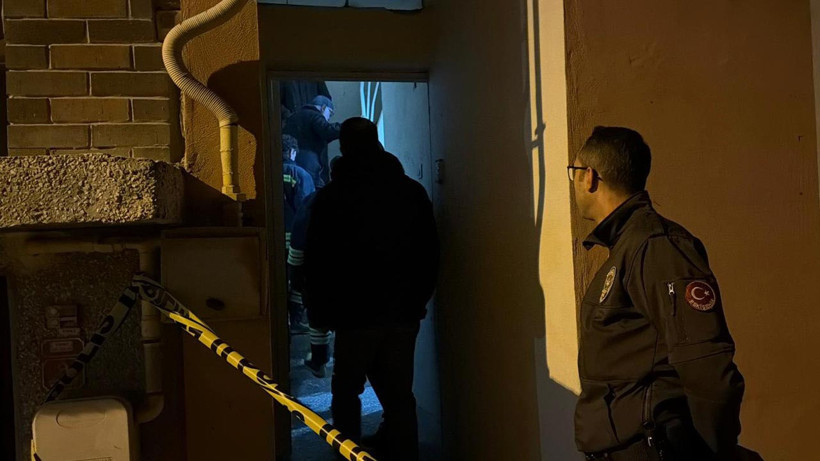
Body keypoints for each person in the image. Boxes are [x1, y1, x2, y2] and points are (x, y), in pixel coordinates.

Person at [570, 126, 745, 461]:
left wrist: (716, 454)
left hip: (649, 448)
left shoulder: (657, 246)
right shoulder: (628, 246)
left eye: (574, 172)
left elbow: (708, 368)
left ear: (588, 177)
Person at [304, 118, 438, 460]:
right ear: (378, 143)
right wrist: (418, 299)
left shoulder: (332, 197)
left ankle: (350, 453)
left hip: (353, 313)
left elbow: (318, 259)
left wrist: (319, 312)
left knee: (347, 391)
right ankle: (403, 453)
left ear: (343, 147)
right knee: (399, 393)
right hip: (402, 311)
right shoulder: (410, 192)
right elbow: (430, 252)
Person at [282, 134, 315, 333]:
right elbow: (306, 208)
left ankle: (280, 319)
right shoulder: (301, 175)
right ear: (293, 152)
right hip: (295, 239)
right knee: (297, 278)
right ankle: (295, 320)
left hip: (273, 239)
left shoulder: (266, 172)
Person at [282, 95, 341, 188]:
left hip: (292, 162)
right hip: (310, 163)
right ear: (323, 108)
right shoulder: (314, 115)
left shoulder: (294, 117)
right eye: (330, 113)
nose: (329, 118)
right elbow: (327, 131)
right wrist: (347, 127)